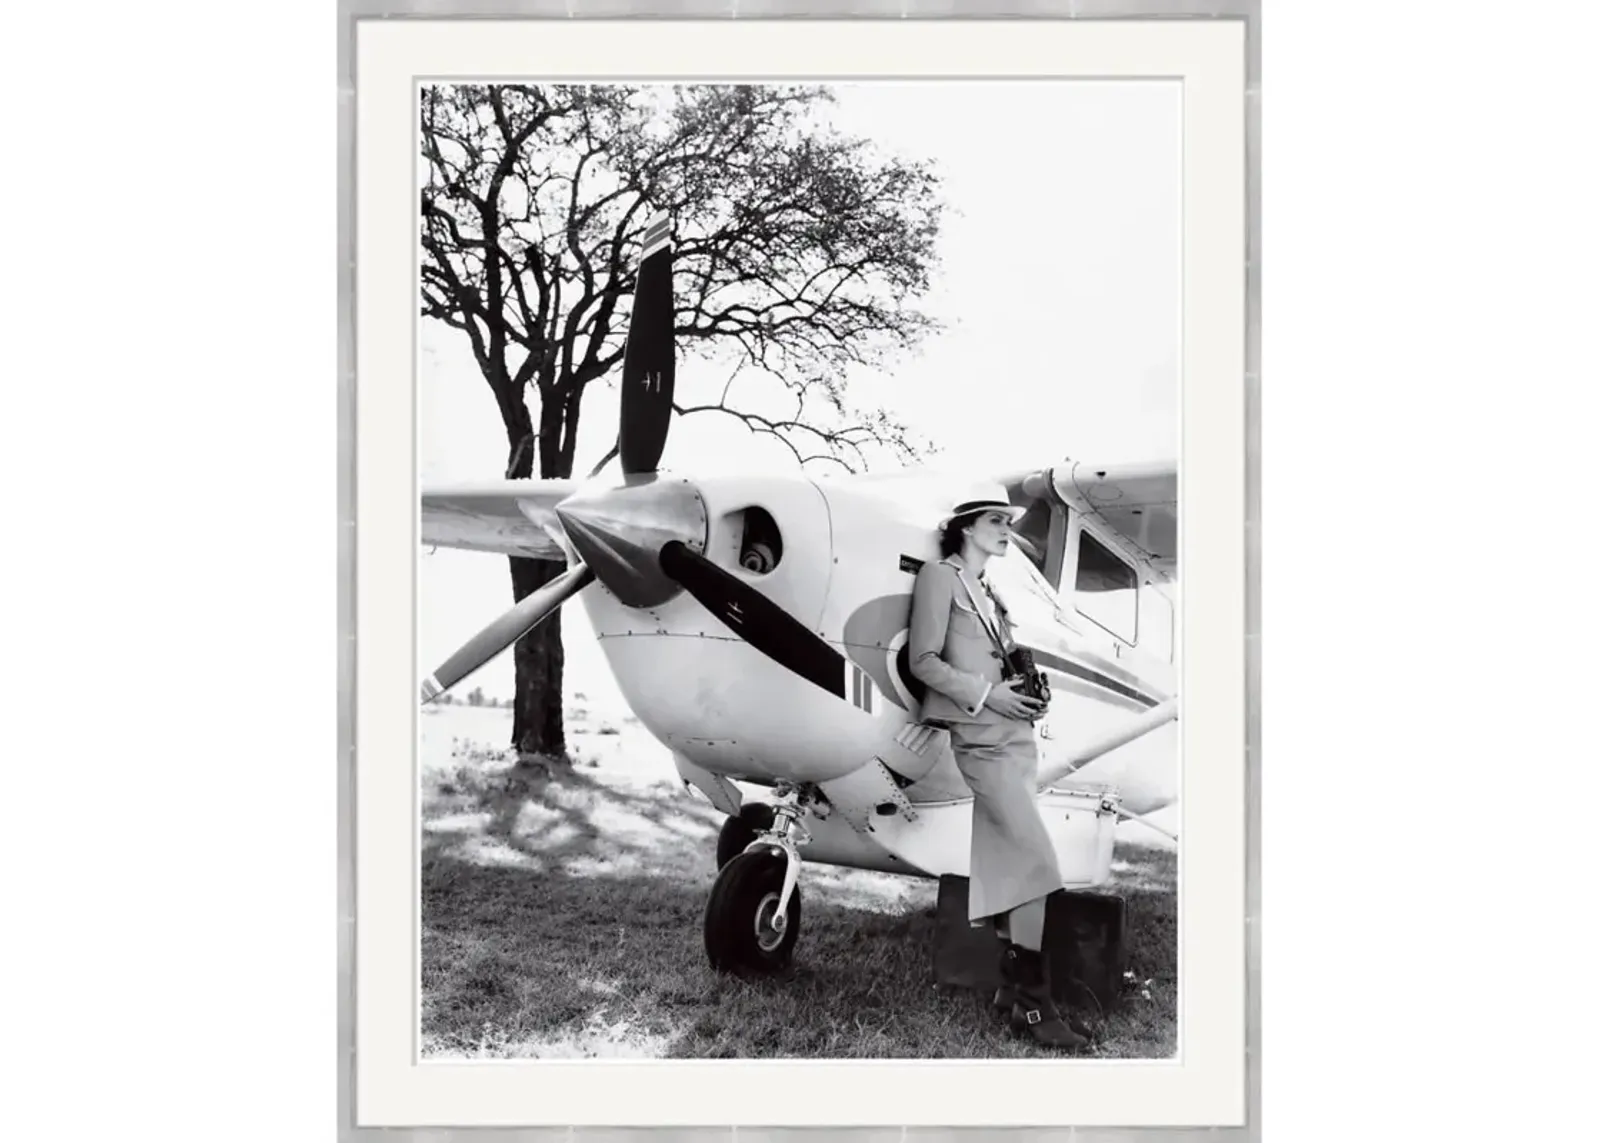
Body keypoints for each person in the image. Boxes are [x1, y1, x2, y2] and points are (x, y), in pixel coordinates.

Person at [907, 495, 1091, 1050]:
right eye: (996, 521)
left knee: (1008, 862)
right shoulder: (942, 578)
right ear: (965, 528)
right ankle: (1036, 1007)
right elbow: (924, 661)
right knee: (1036, 862)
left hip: (1013, 739)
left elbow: (998, 660)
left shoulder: (987, 590)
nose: (1007, 529)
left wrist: (1024, 697)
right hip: (982, 740)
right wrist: (991, 696)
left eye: (1008, 522)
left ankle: (1013, 997)